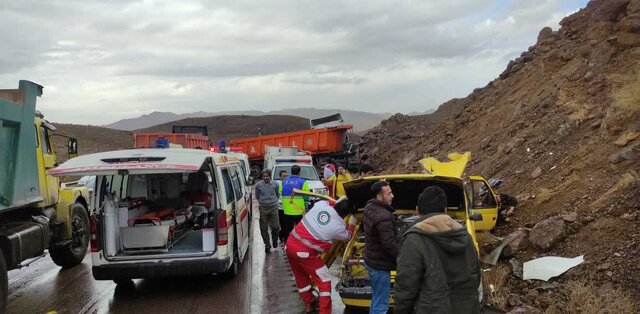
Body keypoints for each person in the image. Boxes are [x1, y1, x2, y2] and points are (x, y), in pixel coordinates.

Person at [394, 186, 481, 313]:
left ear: (417, 211)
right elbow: (475, 275)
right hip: (466, 307)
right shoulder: (465, 236)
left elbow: (406, 285)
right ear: (445, 210)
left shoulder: (414, 239)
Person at [286, 198, 357, 313]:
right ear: (347, 214)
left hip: (290, 245)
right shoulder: (338, 226)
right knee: (324, 281)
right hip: (305, 253)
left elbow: (328, 201)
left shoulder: (321, 206)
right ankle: (324, 311)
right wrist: (352, 224)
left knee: (301, 277)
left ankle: (309, 303)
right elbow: (348, 236)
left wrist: (339, 201)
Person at [362, 180, 398, 314]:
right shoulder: (384, 216)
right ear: (379, 196)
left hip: (371, 261)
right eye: (389, 193)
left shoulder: (369, 207)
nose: (392, 196)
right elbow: (389, 245)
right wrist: (401, 259)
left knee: (377, 299)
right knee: (381, 305)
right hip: (380, 266)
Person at [279, 165, 309, 241]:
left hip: (287, 210)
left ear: (291, 172)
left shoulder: (283, 182)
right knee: (299, 229)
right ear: (299, 172)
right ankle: (297, 244)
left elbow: (279, 193)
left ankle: (287, 244)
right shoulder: (303, 182)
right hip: (298, 210)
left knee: (288, 229)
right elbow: (306, 196)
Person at [254, 169, 280, 254]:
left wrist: (273, 201)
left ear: (270, 176)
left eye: (267, 176)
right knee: (263, 228)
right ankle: (267, 245)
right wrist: (262, 202)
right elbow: (257, 196)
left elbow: (277, 194)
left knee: (276, 227)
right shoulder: (258, 185)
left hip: (273, 207)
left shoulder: (275, 184)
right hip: (263, 208)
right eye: (263, 176)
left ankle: (275, 240)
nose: (265, 178)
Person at [277, 170, 288, 243]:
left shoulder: (289, 184)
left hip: (288, 208)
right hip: (280, 208)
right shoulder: (277, 184)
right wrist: (279, 202)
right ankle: (281, 235)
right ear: (280, 177)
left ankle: (284, 237)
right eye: (284, 176)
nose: (285, 177)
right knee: (282, 224)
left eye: (286, 176)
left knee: (287, 224)